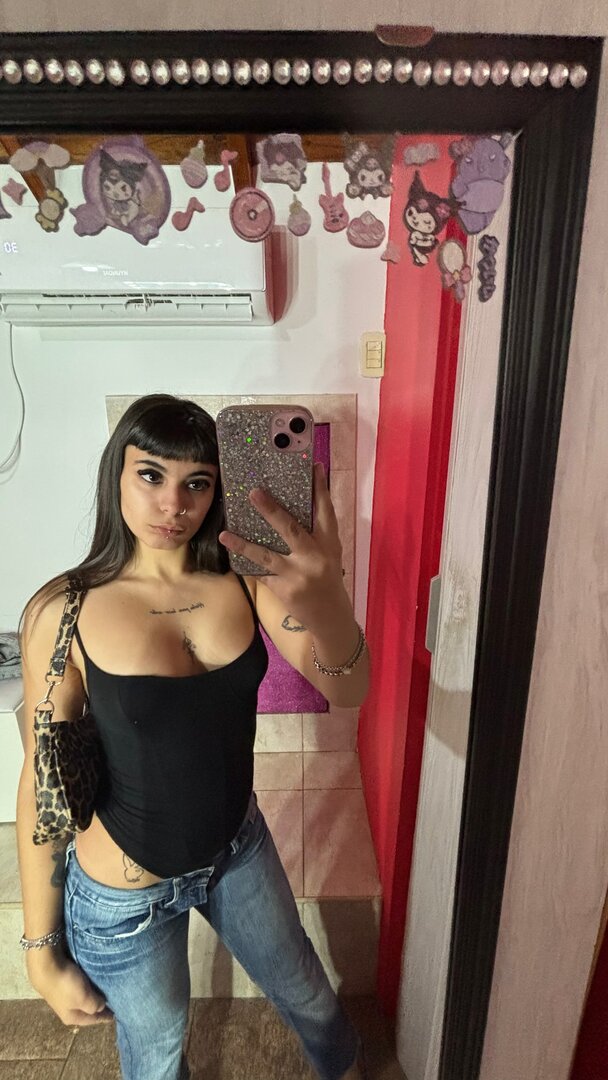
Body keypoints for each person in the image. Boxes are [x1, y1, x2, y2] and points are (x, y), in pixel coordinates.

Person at [16, 394, 370, 1080]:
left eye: (197, 483)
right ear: (116, 474)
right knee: (157, 1057)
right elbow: (42, 779)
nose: (173, 504)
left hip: (238, 848)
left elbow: (348, 687)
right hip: (124, 894)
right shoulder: (63, 611)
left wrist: (330, 602)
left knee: (308, 993)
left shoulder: (245, 581)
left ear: (217, 491)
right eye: (151, 475)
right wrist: (40, 949)